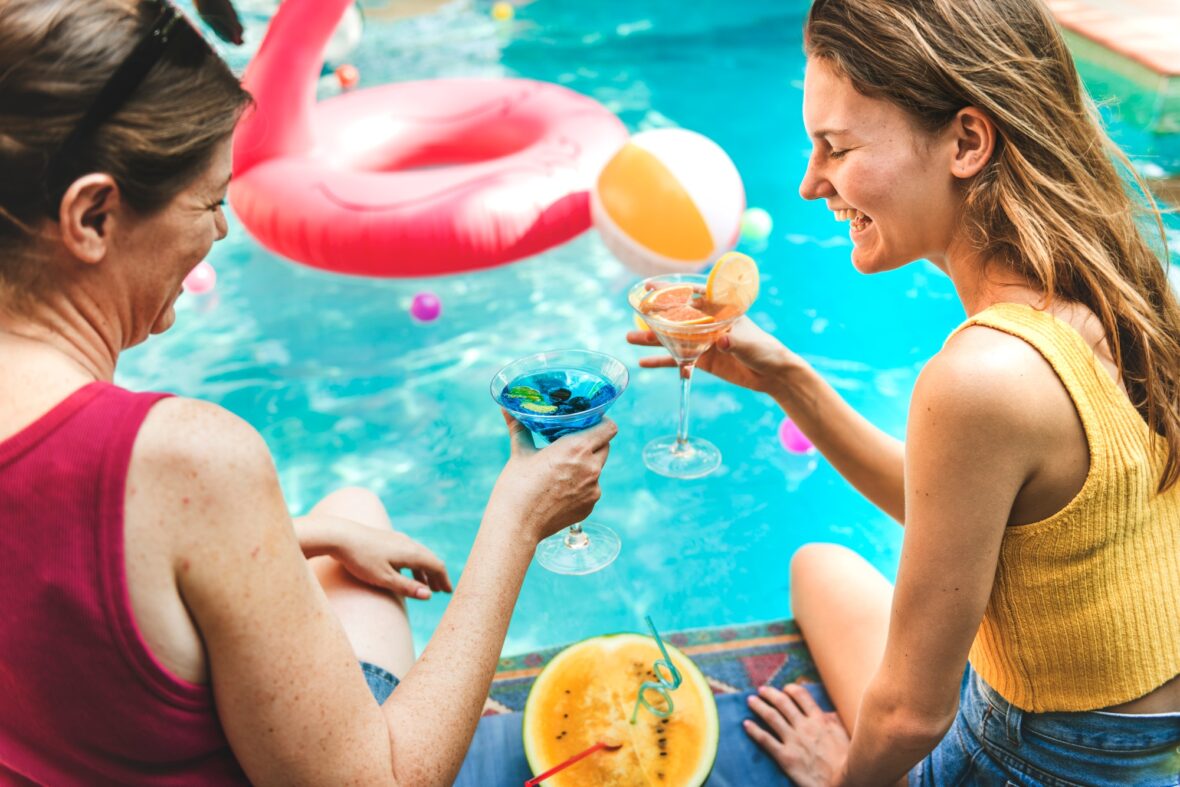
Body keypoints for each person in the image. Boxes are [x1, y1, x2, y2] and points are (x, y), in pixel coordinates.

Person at [0, 1, 616, 784]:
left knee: (349, 514)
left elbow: (65, 555)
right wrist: (517, 518)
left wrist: (302, 534)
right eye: (210, 202)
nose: (221, 232)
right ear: (92, 215)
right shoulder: (184, 459)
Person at [630, 0, 1180, 784]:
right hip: (1134, 737)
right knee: (820, 567)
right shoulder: (1118, 285)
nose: (810, 182)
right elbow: (962, 509)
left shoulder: (984, 375)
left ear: (965, 141)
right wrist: (789, 380)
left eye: (836, 146)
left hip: (1030, 757)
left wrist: (846, 774)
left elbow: (912, 714)